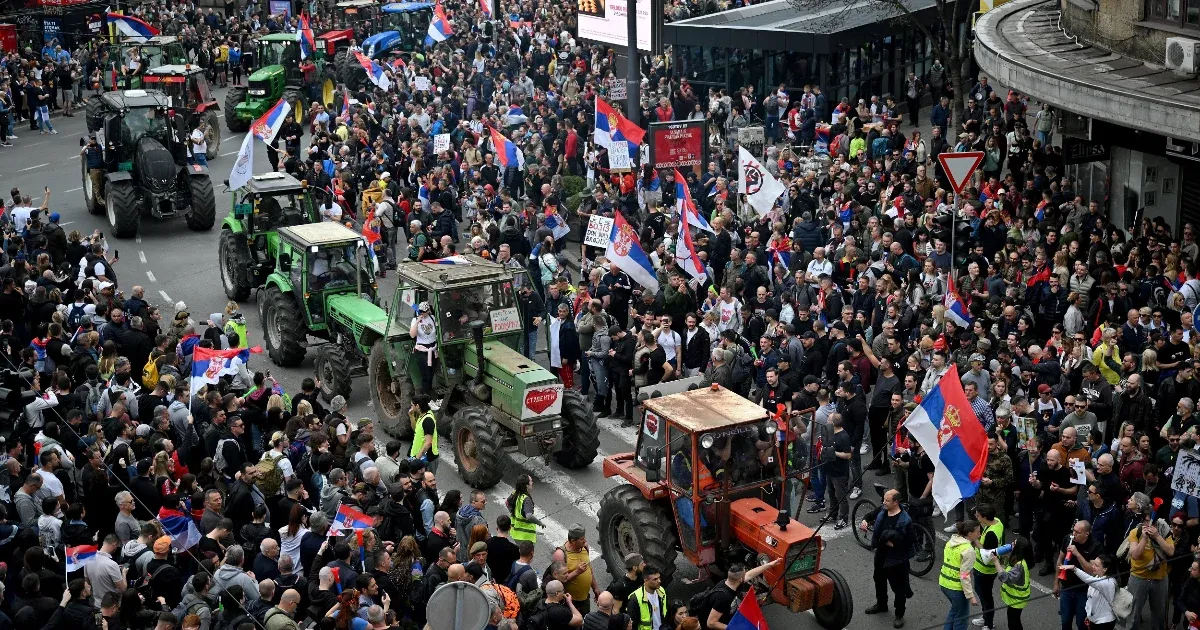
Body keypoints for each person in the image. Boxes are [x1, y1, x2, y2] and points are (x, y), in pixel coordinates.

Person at [862, 488, 913, 628]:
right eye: (884, 499)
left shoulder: (905, 520)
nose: (884, 502)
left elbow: (910, 542)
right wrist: (865, 521)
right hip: (881, 554)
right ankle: (881, 604)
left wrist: (894, 544)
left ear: (896, 502)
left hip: (896, 558)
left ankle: (899, 614)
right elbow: (869, 515)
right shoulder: (882, 510)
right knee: (879, 579)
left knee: (899, 587)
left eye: (887, 500)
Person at [939, 519, 981, 630]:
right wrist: (971, 596)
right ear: (970, 534)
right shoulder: (968, 550)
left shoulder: (951, 542)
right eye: (977, 532)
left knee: (955, 610)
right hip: (956, 588)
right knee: (962, 618)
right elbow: (964, 576)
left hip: (944, 583)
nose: (979, 534)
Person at [1065, 554, 1119, 630]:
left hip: (1104, 623)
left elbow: (1088, 579)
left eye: (1096, 565)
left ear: (1105, 569)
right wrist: (1089, 617)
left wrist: (1074, 569)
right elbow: (1091, 599)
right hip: (1095, 620)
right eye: (1093, 564)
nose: (1093, 566)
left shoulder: (1108, 582)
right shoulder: (1097, 576)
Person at [991, 536, 1033, 630]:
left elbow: (1005, 578)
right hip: (1016, 599)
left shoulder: (1020, 565)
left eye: (1014, 544)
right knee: (1014, 620)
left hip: (1017, 599)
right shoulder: (1020, 559)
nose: (1011, 544)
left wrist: (996, 562)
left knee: (1013, 623)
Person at [626, 565, 667, 630]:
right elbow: (632, 626)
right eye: (655, 579)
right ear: (646, 581)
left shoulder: (661, 591)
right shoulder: (635, 599)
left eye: (659, 578)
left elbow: (664, 613)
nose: (659, 581)